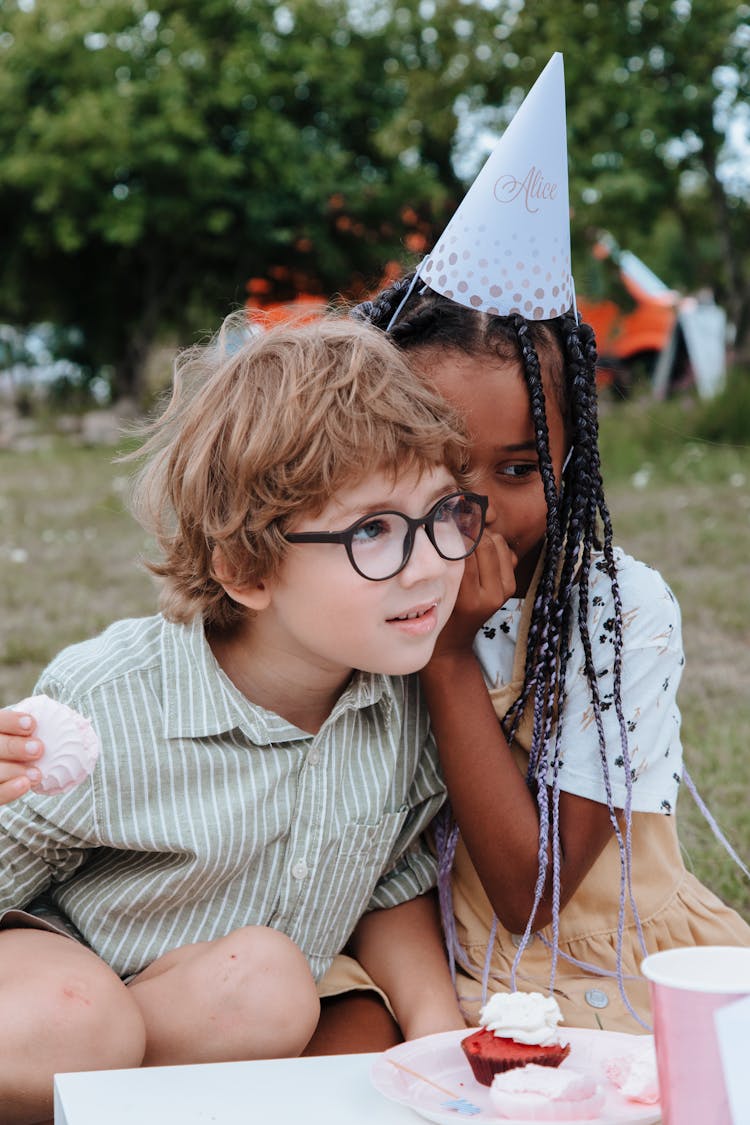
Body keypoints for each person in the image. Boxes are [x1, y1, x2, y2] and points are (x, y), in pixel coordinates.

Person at [0, 314, 481, 1123]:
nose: (430, 561)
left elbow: (390, 881)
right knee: (77, 1017)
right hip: (48, 991)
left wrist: (434, 1027)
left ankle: (110, 1107)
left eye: (443, 512)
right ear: (246, 570)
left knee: (272, 984)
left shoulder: (402, 701)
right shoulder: (111, 702)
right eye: (374, 530)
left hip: (189, 1014)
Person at [352, 276, 750, 1033]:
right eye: (442, 467)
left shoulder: (617, 609)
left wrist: (447, 657)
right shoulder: (359, 587)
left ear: (568, 462)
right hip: (418, 956)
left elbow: (529, 895)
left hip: (599, 969)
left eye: (518, 469)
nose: (481, 508)